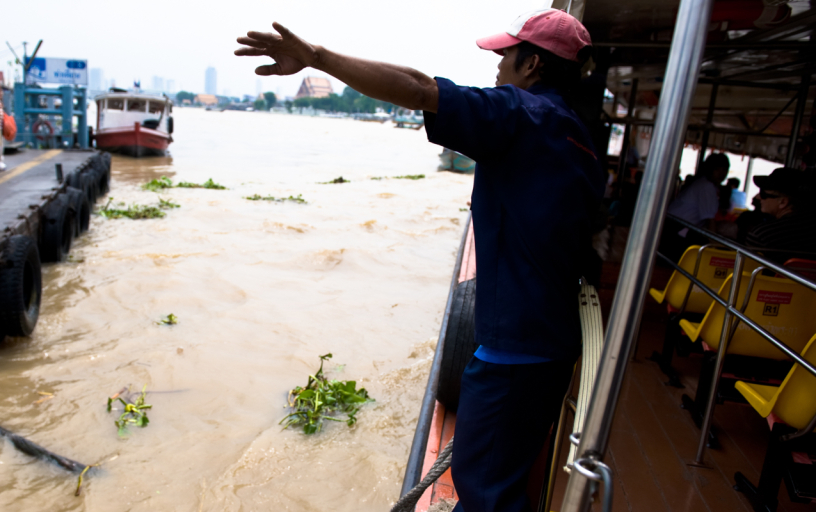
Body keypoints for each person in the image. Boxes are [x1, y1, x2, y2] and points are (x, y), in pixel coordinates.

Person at [236, 9, 603, 512]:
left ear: (533, 64)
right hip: (550, 342)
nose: (497, 65)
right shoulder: (578, 138)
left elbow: (419, 89)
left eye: (506, 55)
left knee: (486, 492)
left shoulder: (520, 115)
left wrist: (317, 58)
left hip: (515, 350)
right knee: (505, 476)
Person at [659, 153, 730, 259]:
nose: (722, 174)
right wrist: (714, 245)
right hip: (675, 228)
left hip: (672, 225)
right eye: (718, 169)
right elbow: (710, 219)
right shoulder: (707, 187)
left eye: (724, 170)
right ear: (710, 169)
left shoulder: (704, 184)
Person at [745, 167, 816, 262]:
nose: (758, 197)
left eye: (763, 193)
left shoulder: (762, 235)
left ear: (783, 202)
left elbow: (747, 268)